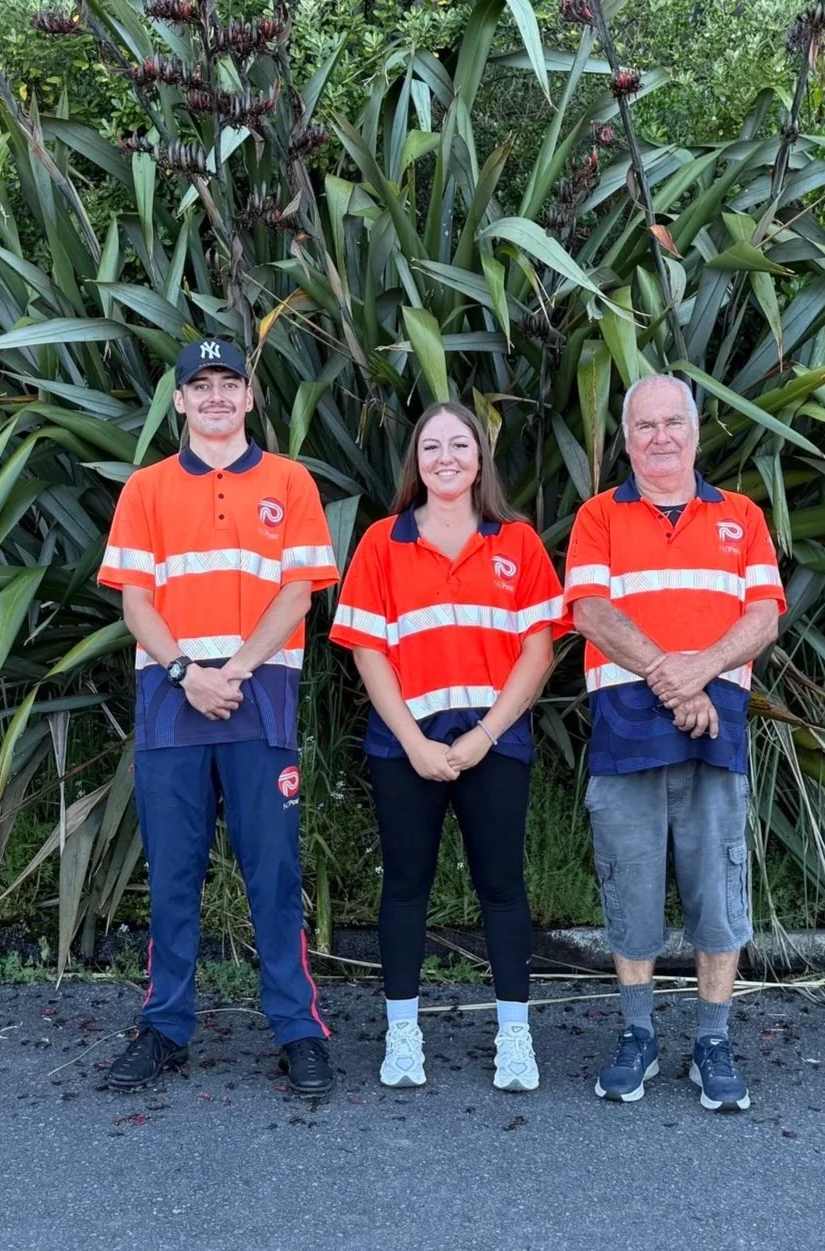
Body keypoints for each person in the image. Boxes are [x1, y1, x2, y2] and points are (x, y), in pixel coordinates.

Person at [96, 336, 340, 1098]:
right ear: (178, 401)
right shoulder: (146, 488)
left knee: (273, 873)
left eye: (228, 383)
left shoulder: (290, 481)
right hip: (173, 705)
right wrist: (186, 674)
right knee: (171, 875)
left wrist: (230, 671)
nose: (215, 397)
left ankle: (298, 1028)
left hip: (259, 699)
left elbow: (299, 591)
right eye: (199, 385)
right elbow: (136, 598)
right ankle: (165, 1025)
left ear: (250, 396)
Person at [563, 373, 786, 1112]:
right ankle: (638, 1033)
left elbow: (764, 615)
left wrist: (700, 671)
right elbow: (590, 611)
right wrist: (674, 676)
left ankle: (712, 1041)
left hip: (714, 727)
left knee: (717, 890)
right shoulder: (598, 516)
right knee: (628, 886)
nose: (660, 437)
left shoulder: (742, 517)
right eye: (644, 426)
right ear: (626, 438)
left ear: (696, 430)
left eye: (673, 423)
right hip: (629, 728)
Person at [330, 401, 565, 1093]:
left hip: (494, 742)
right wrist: (413, 743)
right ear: (416, 462)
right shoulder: (382, 541)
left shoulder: (516, 543)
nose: (446, 458)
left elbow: (539, 650)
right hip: (405, 746)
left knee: (502, 888)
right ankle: (404, 1033)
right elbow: (368, 652)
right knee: (404, 887)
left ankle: (514, 1035)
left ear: (480, 459)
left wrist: (485, 734)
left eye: (459, 445)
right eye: (431, 447)